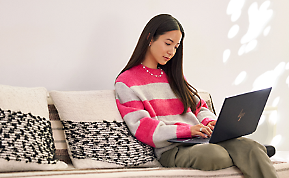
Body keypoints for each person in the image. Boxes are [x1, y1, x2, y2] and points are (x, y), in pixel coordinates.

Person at [114, 14, 278, 178]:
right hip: (171, 149)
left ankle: (254, 152)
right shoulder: (127, 82)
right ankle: (250, 155)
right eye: (168, 43)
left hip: (201, 139)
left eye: (176, 47)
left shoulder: (174, 76)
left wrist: (212, 123)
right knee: (217, 154)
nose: (171, 52)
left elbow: (199, 107)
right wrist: (189, 130)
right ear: (150, 38)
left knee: (253, 147)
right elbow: (143, 128)